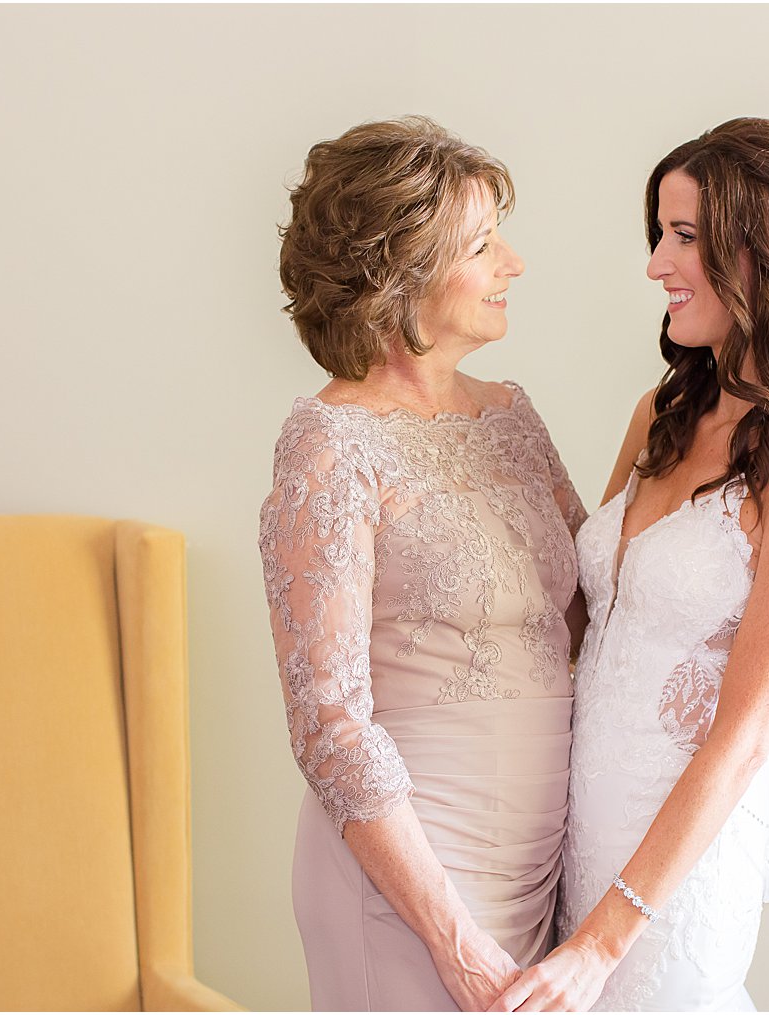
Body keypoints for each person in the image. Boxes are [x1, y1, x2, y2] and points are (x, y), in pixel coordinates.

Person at [492, 119, 769, 1011]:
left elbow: (746, 732)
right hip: (577, 826)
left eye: (684, 238)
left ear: (763, 252)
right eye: (660, 234)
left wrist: (603, 943)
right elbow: (575, 618)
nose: (655, 265)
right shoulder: (661, 411)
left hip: (671, 875)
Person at [258, 116, 587, 1012]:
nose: (512, 264)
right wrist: (453, 938)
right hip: (407, 887)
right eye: (483, 246)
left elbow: (590, 606)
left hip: (539, 867)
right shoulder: (330, 448)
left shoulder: (512, 414)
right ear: (400, 276)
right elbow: (329, 723)